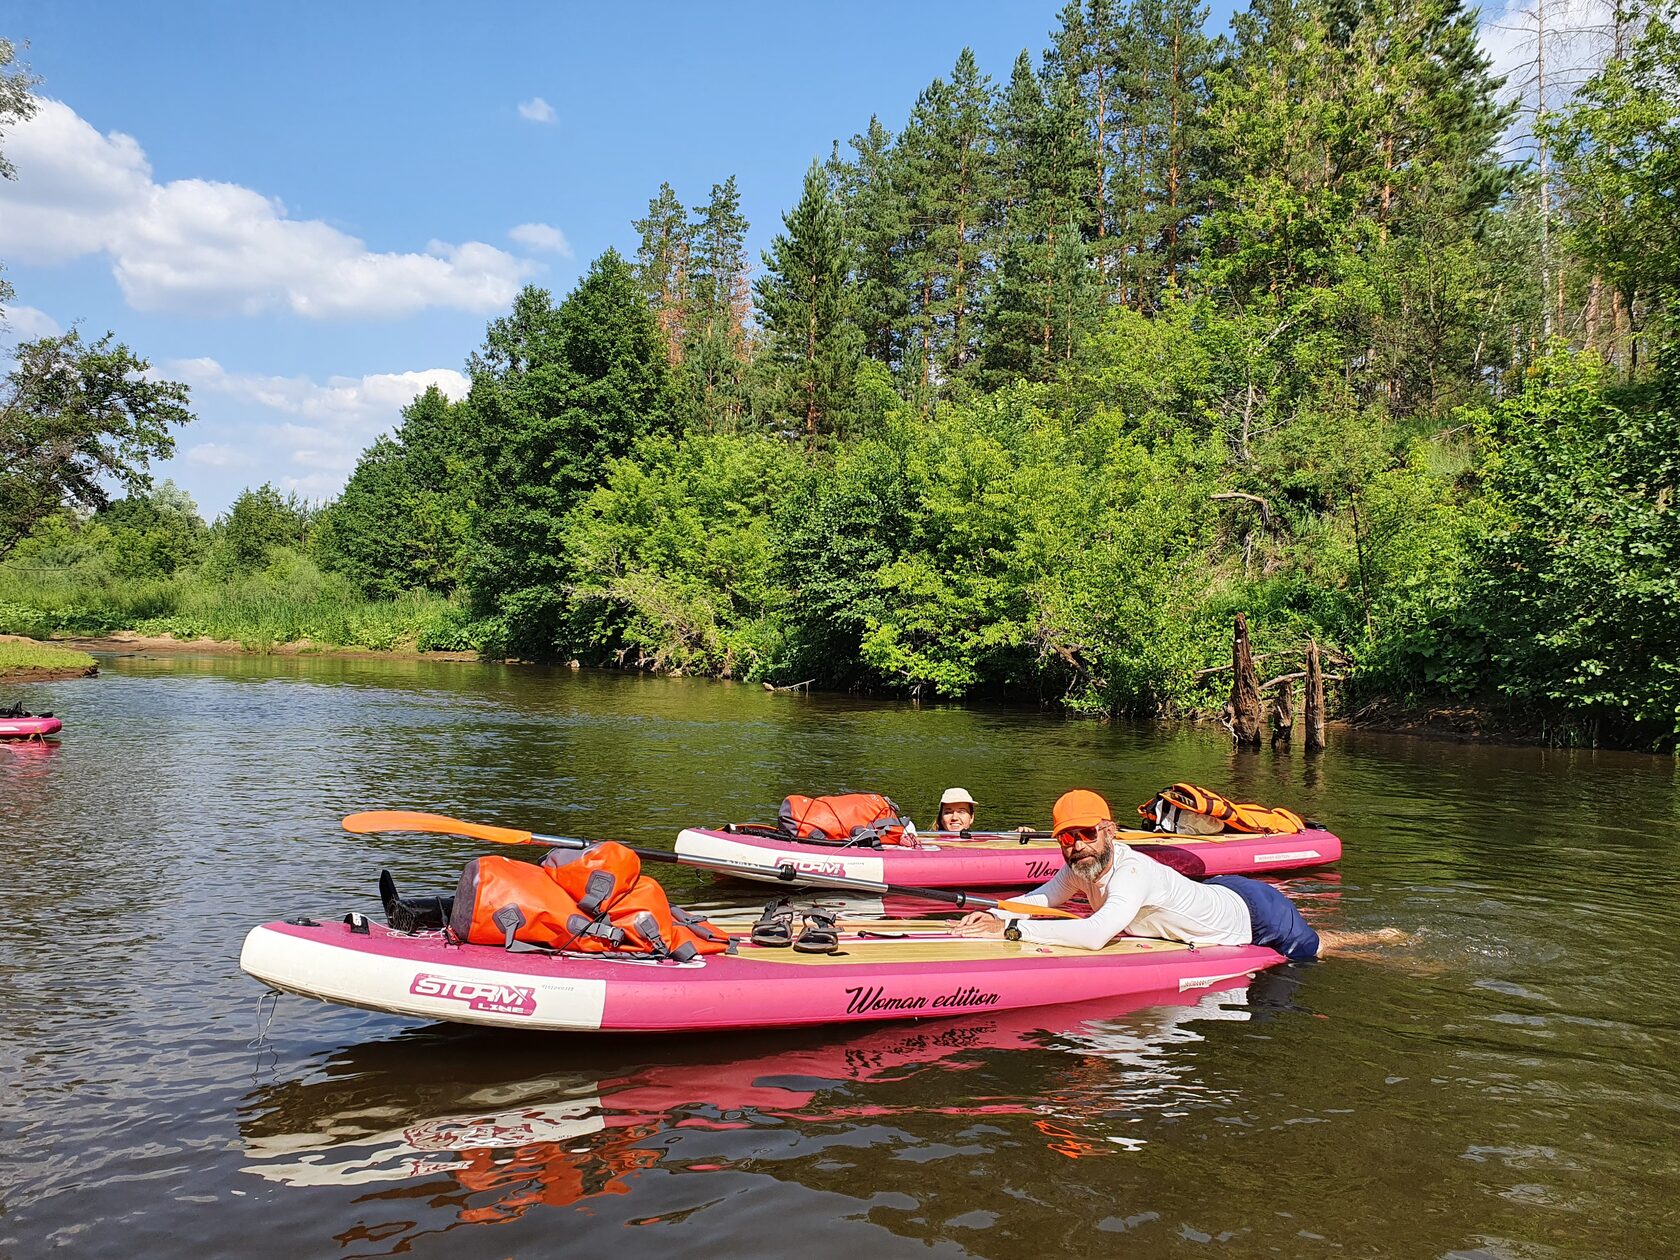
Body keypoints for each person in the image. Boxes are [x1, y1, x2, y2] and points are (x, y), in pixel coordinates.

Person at [953, 789, 1401, 959]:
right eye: (1067, 837)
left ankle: (1385, 941)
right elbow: (1044, 899)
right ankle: (1373, 935)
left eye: (1086, 833)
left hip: (1256, 914)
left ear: (1108, 830)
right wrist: (996, 912)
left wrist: (1008, 934)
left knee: (1320, 951)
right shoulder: (1081, 865)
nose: (1077, 844)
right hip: (1219, 892)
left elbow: (1094, 936)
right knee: (1323, 940)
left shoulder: (1130, 872)